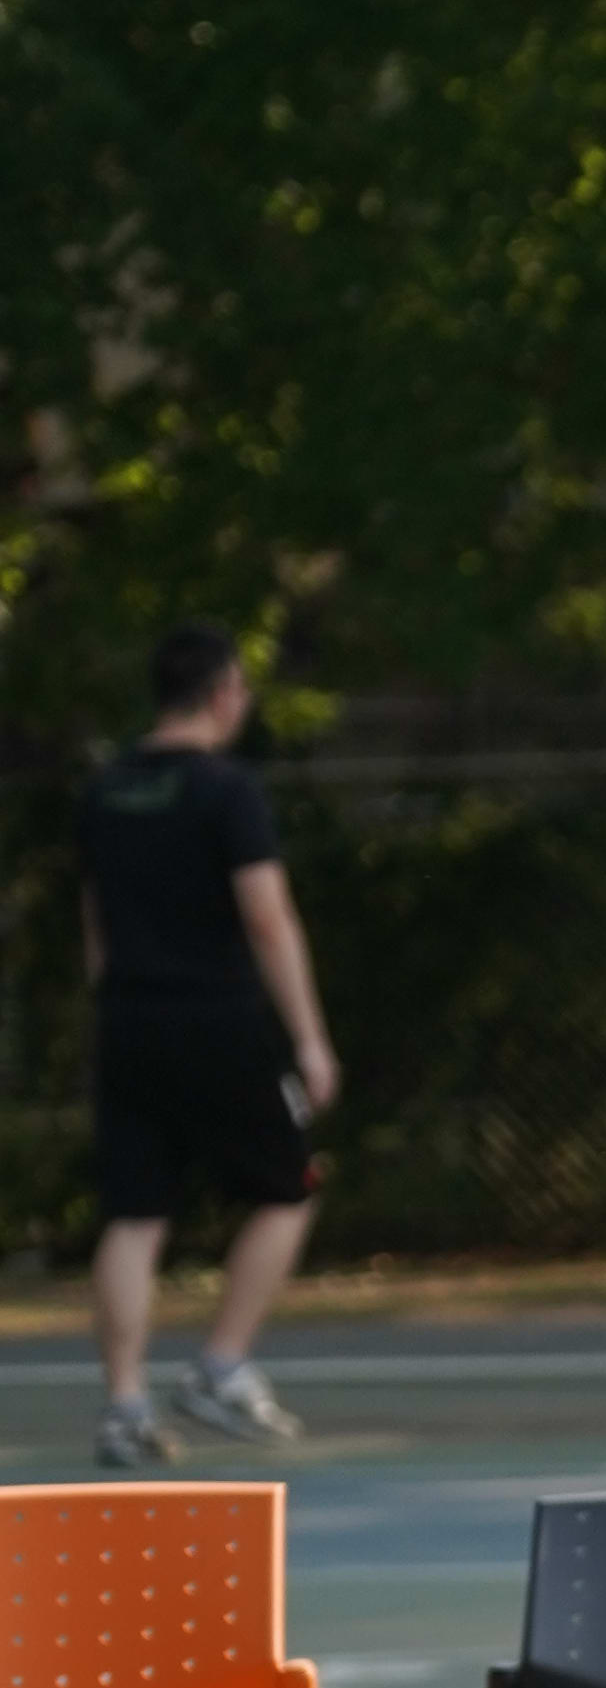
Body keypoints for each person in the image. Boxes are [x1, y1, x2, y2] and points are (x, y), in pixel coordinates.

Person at [78, 621, 341, 1471]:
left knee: (134, 1215)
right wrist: (308, 1037)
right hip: (218, 1019)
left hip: (128, 1021)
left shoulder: (106, 789)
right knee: (289, 1185)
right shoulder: (227, 791)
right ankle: (221, 1366)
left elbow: (96, 927)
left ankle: (124, 1403)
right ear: (224, 693)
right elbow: (267, 916)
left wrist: (112, 1005)